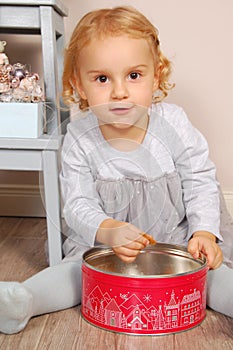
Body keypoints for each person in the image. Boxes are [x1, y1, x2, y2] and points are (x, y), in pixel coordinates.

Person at [0, 6, 233, 335]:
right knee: (76, 273)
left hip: (178, 243)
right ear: (79, 86)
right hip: (105, 248)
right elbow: (77, 202)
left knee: (212, 273)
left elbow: (200, 183)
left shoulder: (174, 124)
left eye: (134, 75)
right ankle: (25, 300)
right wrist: (106, 229)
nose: (119, 92)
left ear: (156, 76)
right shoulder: (80, 137)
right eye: (102, 79)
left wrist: (204, 233)